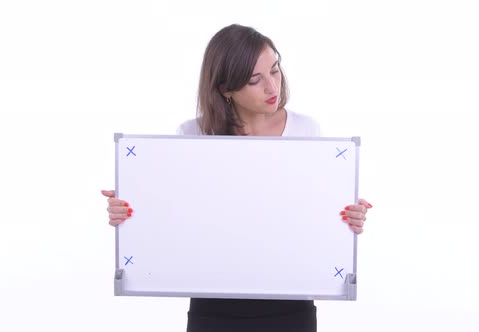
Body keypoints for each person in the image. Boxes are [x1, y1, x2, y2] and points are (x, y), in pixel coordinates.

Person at [101, 24, 372, 332]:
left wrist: (348, 218)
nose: (272, 87)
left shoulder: (307, 130)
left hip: (291, 302)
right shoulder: (192, 134)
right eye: (255, 80)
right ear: (225, 89)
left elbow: (315, 217)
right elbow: (176, 218)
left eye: (275, 70)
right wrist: (133, 208)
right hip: (213, 305)